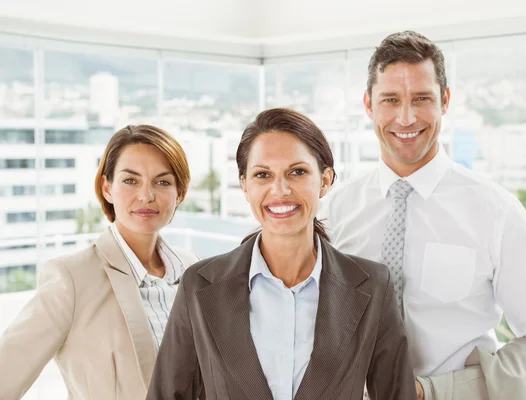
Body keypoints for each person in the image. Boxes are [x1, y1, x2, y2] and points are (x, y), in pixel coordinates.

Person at [319, 31, 526, 398]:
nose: (405, 118)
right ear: (368, 105)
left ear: (445, 101)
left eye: (421, 98)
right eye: (390, 100)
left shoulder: (496, 212)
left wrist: (436, 392)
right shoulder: (333, 211)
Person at [146, 108, 417, 400]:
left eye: (297, 172)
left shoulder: (373, 286)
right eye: (263, 175)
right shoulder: (199, 286)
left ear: (325, 180)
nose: (280, 189)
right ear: (245, 186)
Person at [0, 125, 199, 400]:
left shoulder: (193, 270)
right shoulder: (71, 278)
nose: (146, 195)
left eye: (162, 182)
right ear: (107, 188)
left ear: (179, 193)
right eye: (130, 180)